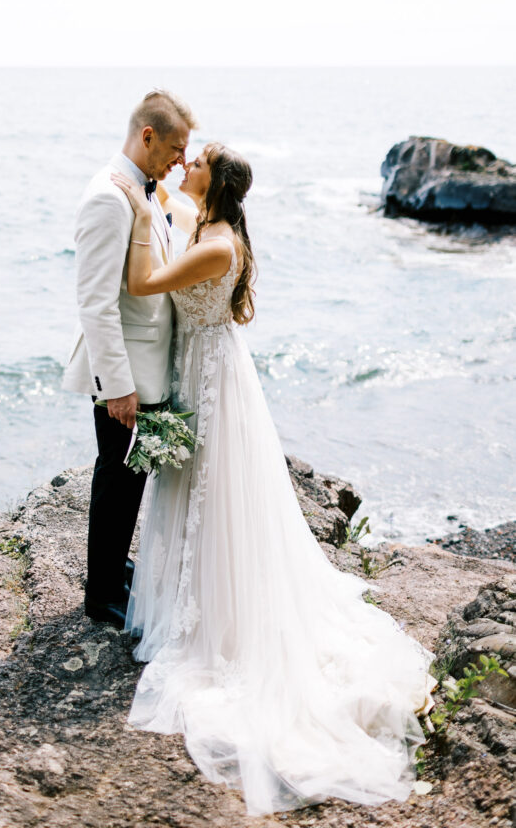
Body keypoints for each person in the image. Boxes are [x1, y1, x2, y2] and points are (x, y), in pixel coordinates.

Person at [110, 142, 437, 817]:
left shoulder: (215, 242)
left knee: (215, 494)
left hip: (210, 381)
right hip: (197, 371)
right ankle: (188, 590)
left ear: (216, 181)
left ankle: (219, 616)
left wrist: (140, 218)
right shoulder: (203, 224)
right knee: (193, 489)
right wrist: (152, 199)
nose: (185, 166)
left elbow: (144, 284)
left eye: (194, 162)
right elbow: (172, 212)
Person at [62, 90, 197, 627]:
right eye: (175, 148)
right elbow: (95, 302)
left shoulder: (144, 194)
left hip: (145, 368)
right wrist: (116, 385)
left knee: (130, 479)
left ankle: (115, 569)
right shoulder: (107, 198)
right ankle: (101, 594)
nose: (181, 160)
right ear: (148, 136)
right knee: (116, 478)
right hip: (124, 375)